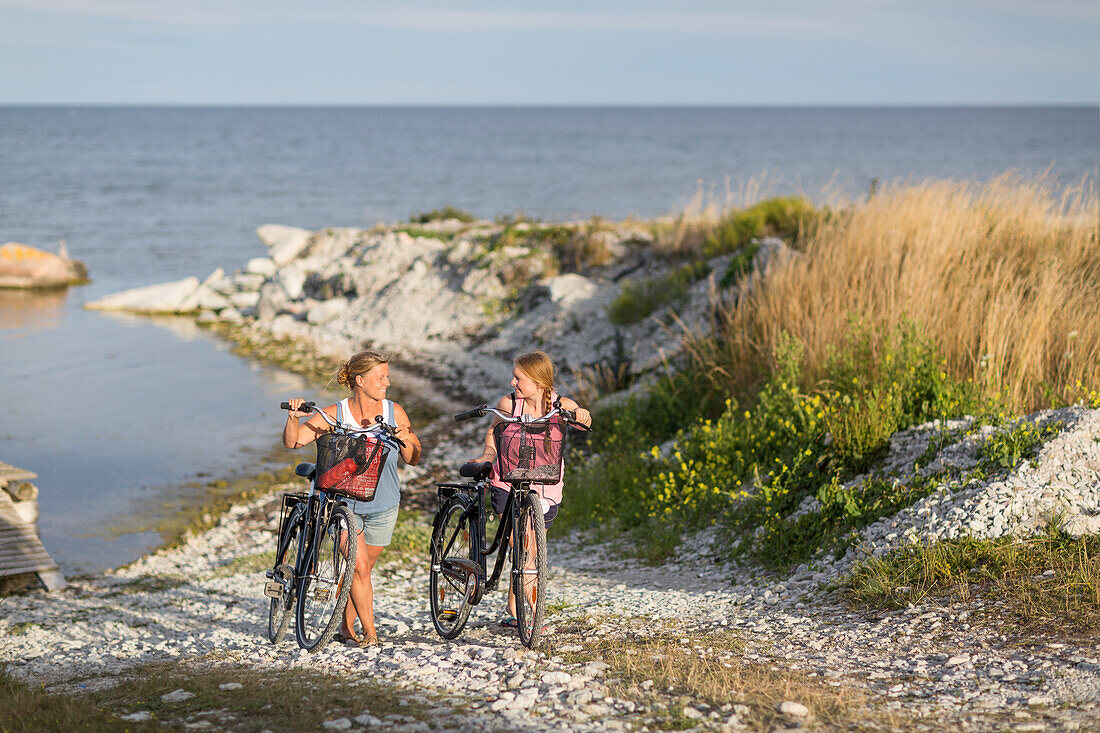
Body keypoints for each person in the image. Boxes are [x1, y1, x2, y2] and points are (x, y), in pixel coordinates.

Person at [283, 350, 421, 647]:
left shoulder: (395, 411)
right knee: (358, 567)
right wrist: (293, 418)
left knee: (362, 571)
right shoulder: (336, 413)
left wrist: (406, 439)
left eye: (387, 376)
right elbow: (294, 441)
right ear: (360, 380)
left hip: (384, 504)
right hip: (343, 505)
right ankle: (371, 633)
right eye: (380, 377)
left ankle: (346, 626)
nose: (387, 382)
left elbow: (414, 458)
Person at [470, 350, 591, 627]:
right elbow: (494, 430)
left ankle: (514, 610)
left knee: (530, 552)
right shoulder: (509, 404)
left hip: (546, 488)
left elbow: (583, 421)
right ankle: (535, 617)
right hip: (507, 483)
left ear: (538, 382)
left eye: (518, 378)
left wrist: (582, 414)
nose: (512, 383)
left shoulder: (561, 405)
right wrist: (489, 454)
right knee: (524, 550)